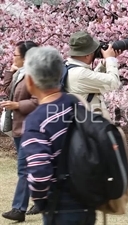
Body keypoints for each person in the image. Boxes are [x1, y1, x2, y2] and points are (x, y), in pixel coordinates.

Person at [20, 46, 96, 224]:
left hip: (60, 201)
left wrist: (40, 200)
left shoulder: (35, 120)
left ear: (30, 81)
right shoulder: (76, 102)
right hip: (86, 196)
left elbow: (40, 171)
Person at [1, 40, 40, 222]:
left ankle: (19, 208)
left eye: (15, 55)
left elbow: (39, 101)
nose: (13, 57)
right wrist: (10, 71)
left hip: (30, 128)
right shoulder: (21, 73)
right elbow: (6, 90)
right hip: (18, 126)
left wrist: (17, 105)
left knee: (24, 169)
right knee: (33, 168)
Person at [64, 30, 121, 119]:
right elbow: (114, 83)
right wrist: (110, 59)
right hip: (89, 126)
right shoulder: (80, 74)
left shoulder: (67, 66)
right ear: (87, 55)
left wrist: (103, 65)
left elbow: (89, 81)